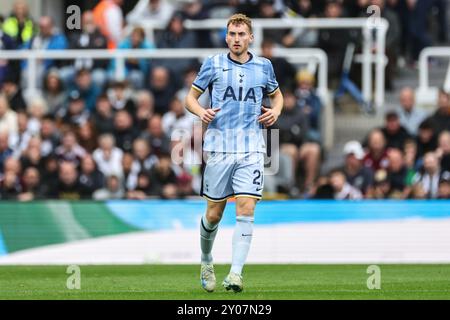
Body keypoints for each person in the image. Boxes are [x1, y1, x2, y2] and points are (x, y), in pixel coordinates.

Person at [185, 14, 283, 293]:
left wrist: (275, 111)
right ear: (226, 37)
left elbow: (277, 96)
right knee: (214, 214)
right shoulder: (213, 63)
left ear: (251, 37)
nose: (236, 39)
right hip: (218, 148)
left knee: (246, 208)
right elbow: (190, 97)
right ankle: (206, 260)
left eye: (241, 34)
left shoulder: (264, 67)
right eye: (231, 34)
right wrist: (200, 110)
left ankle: (236, 274)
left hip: (252, 148)